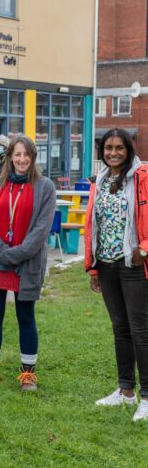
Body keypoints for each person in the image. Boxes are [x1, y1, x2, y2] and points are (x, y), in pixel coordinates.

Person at [0, 134, 55, 391]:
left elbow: (41, 229)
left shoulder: (45, 187)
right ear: (10, 157)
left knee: (25, 317)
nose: (22, 159)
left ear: (33, 157)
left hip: (26, 263)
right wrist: (0, 251)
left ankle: (28, 373)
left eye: (26, 154)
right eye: (17, 154)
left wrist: (16, 254)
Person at [85, 128, 148, 421]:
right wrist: (94, 266)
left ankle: (147, 397)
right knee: (120, 329)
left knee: (140, 331)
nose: (113, 153)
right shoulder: (100, 180)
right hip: (107, 264)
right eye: (108, 148)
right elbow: (93, 225)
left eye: (119, 148)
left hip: (133, 265)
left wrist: (144, 249)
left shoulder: (142, 177)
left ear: (128, 149)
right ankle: (126, 392)